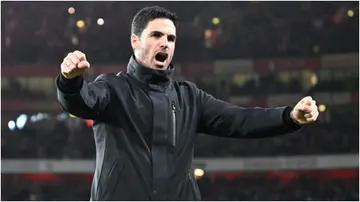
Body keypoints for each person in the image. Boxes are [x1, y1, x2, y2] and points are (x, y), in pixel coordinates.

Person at [56, 6, 319, 201]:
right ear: (134, 41)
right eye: (156, 35)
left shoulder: (189, 97)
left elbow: (240, 119)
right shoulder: (112, 88)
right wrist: (69, 81)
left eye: (171, 39)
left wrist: (290, 117)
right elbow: (80, 102)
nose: (165, 44)